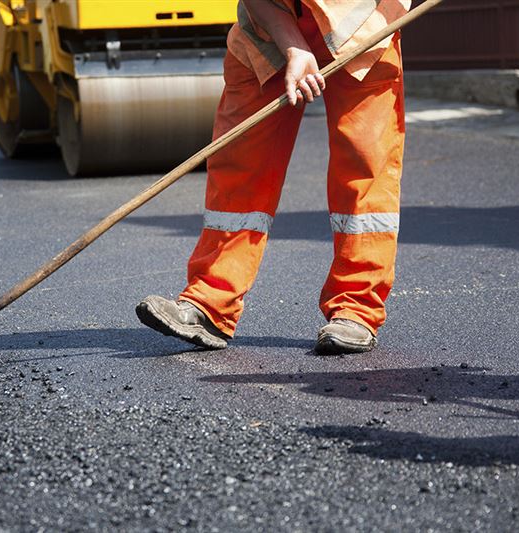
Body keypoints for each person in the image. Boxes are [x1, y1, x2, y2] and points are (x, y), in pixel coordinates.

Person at [136, 0, 411, 355]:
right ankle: (210, 303)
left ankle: (356, 309)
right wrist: (293, 46)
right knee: (239, 163)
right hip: (267, 29)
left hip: (363, 28)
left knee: (364, 165)